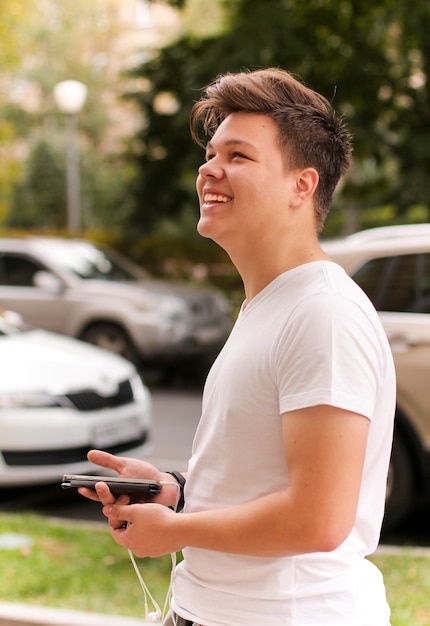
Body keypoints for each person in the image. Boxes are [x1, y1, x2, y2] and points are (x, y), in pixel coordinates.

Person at [81, 68, 396, 626]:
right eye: (209, 152)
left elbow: (317, 518)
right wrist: (175, 492)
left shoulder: (322, 312)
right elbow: (264, 477)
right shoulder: (271, 302)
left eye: (238, 156)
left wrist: (175, 532)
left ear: (303, 185)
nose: (209, 168)